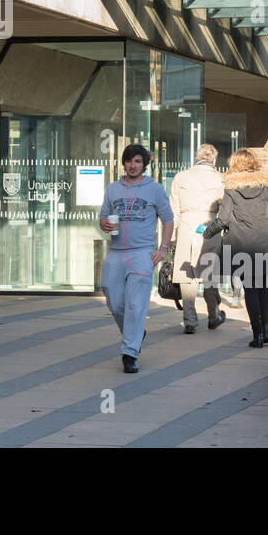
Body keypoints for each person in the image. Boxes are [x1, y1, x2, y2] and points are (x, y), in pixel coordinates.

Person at [97, 144, 174, 373]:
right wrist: (104, 224)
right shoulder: (112, 189)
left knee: (135, 304)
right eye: (129, 161)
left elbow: (168, 220)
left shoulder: (155, 190)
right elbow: (103, 219)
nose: (133, 165)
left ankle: (130, 352)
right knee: (112, 297)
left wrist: (163, 249)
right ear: (124, 164)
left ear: (144, 165)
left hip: (142, 253)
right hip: (117, 252)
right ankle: (136, 333)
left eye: (138, 161)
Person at [204, 149, 268, 348]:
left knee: (250, 290)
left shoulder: (231, 188)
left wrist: (208, 232)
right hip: (263, 243)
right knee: (262, 287)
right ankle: (266, 328)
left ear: (235, 164)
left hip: (242, 245)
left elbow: (224, 219)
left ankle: (258, 335)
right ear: (254, 163)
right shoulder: (267, 187)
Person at [169, 144, 227, 333]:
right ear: (214, 159)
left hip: (186, 225)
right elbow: (225, 209)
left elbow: (173, 210)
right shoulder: (220, 179)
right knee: (209, 272)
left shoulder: (181, 177)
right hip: (210, 224)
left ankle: (190, 321)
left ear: (197, 157)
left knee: (188, 275)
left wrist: (169, 237)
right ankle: (213, 315)